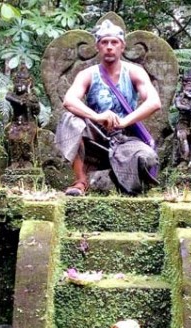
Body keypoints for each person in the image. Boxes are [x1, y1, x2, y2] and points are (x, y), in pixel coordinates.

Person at [55, 20, 161, 196]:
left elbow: (154, 102)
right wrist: (96, 117)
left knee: (148, 158)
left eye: (114, 42)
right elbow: (69, 100)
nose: (109, 47)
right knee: (69, 119)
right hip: (95, 135)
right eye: (104, 42)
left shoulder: (134, 72)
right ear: (98, 47)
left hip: (124, 138)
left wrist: (125, 121)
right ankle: (80, 181)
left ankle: (123, 182)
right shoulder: (88, 74)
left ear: (122, 46)